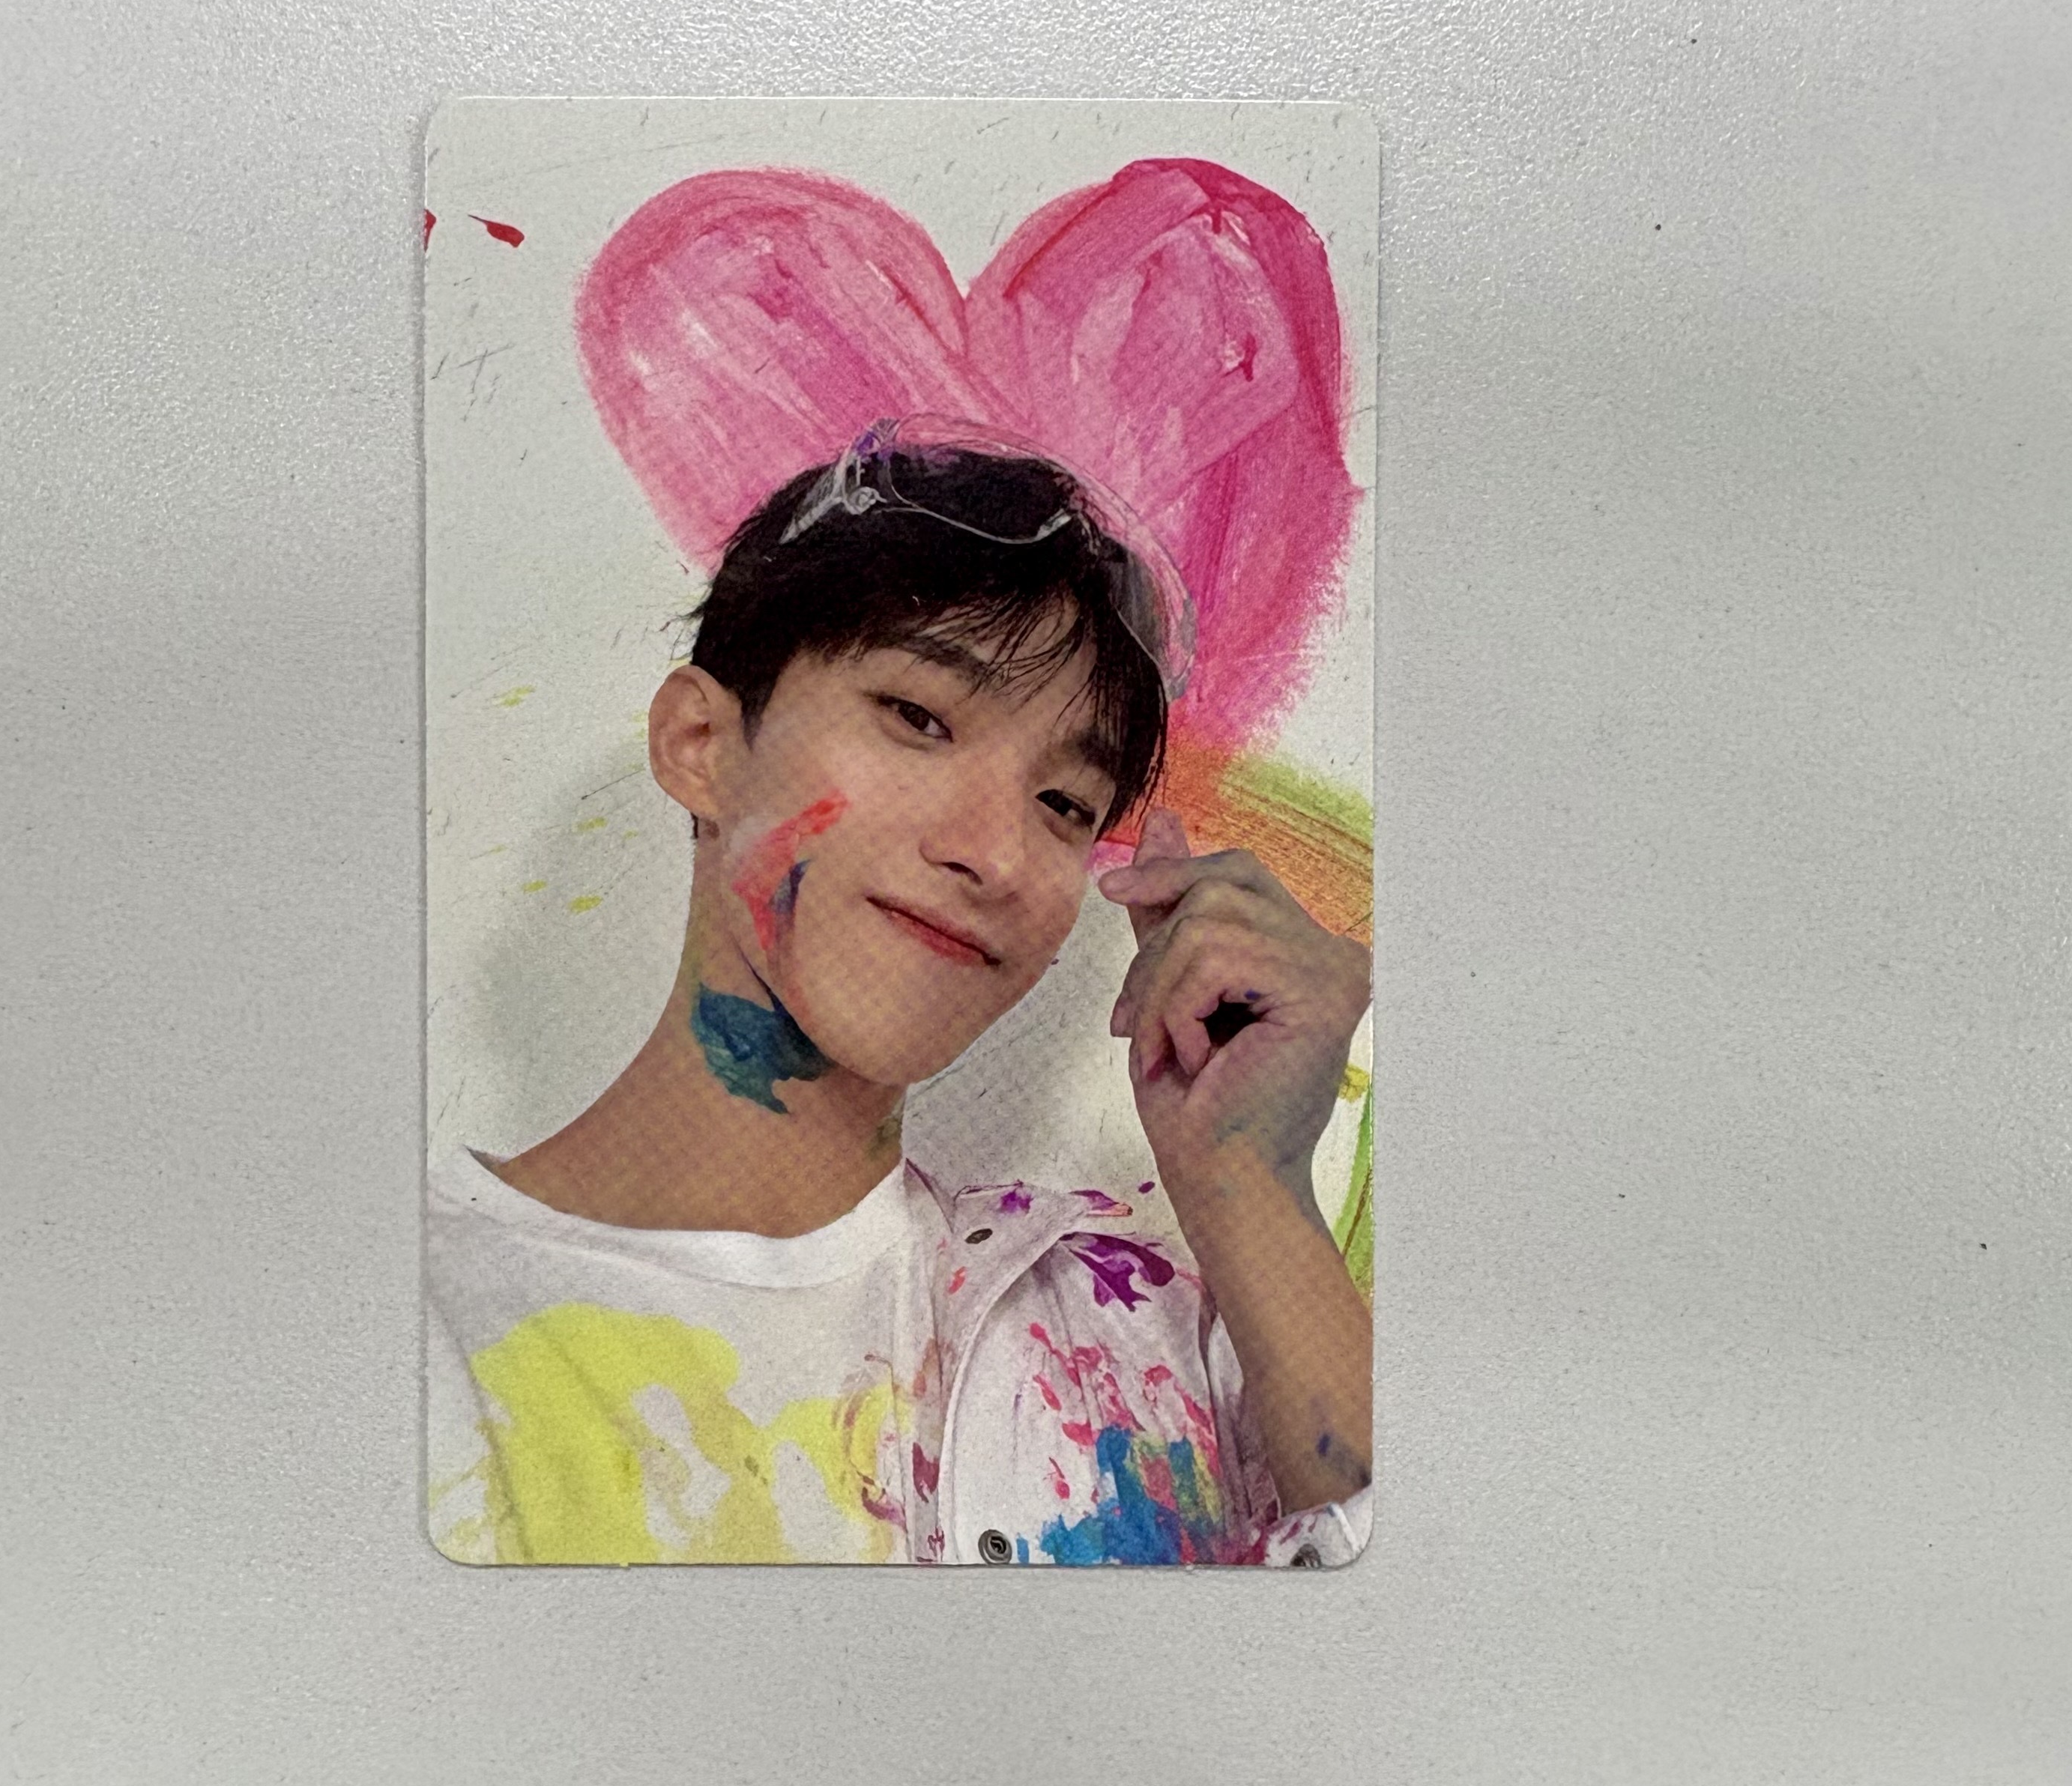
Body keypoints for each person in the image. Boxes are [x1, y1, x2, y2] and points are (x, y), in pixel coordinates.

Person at [426, 420, 1374, 1566]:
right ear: (701, 742)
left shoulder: (1134, 1329)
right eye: (920, 719)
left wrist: (1251, 1177)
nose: (999, 855)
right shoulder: (400, 1328)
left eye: (1064, 805)